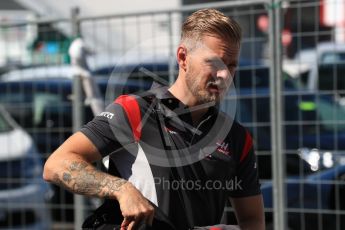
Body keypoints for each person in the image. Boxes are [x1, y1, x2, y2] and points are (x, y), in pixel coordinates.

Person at [43, 8, 265, 230]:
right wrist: (121, 189)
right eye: (215, 62)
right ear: (183, 57)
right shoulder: (135, 110)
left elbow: (252, 220)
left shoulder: (237, 137)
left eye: (231, 65)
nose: (224, 74)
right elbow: (55, 164)